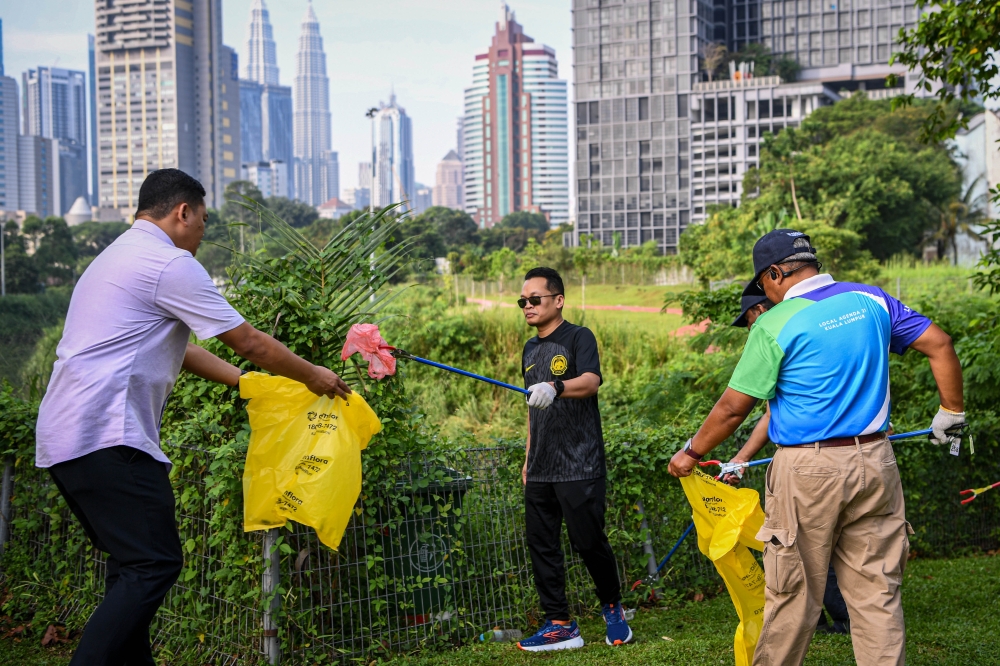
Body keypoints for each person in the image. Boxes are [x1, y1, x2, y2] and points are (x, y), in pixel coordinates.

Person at [35, 169, 352, 666]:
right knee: (153, 565)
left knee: (131, 569)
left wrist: (246, 384)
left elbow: (178, 350)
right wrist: (313, 374)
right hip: (108, 436)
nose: (202, 236)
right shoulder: (168, 263)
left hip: (66, 438)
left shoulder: (115, 258)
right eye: (202, 223)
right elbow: (247, 340)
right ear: (182, 212)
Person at [667, 229, 966, 666]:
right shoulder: (873, 299)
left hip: (809, 471)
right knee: (877, 594)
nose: (765, 295)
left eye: (763, 285)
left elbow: (734, 408)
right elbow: (939, 344)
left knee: (792, 593)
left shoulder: (773, 322)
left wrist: (690, 454)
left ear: (774, 274)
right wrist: (951, 412)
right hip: (877, 462)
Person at [513, 267, 632, 651]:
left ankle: (613, 608)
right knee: (542, 544)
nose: (528, 306)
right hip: (542, 466)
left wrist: (556, 385)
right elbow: (533, 410)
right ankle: (560, 624)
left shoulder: (579, 337)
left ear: (558, 300)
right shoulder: (530, 350)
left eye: (535, 299)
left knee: (588, 542)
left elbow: (591, 381)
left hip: (579, 462)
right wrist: (529, 458)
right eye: (523, 301)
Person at [725, 283, 851, 636]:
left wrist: (692, 454)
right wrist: (741, 458)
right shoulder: (826, 323)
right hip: (858, 457)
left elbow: (735, 410)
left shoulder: (777, 332)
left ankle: (836, 618)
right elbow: (771, 415)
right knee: (828, 549)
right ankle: (833, 618)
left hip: (810, 464)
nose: (751, 328)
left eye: (750, 318)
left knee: (803, 550)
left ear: (761, 310)